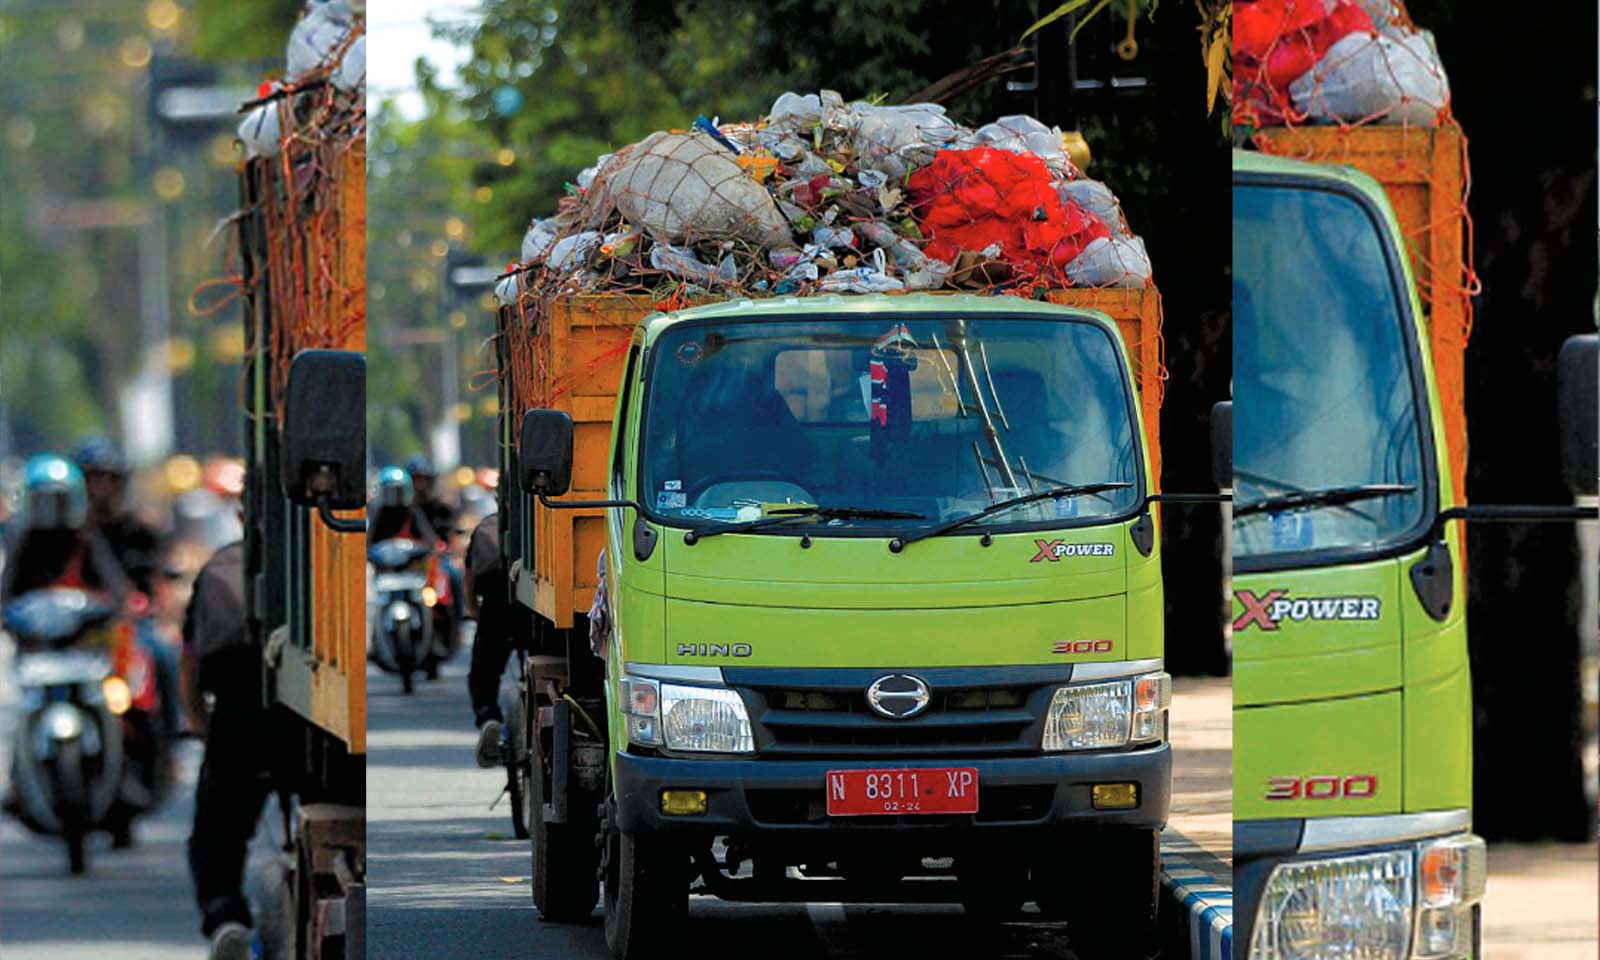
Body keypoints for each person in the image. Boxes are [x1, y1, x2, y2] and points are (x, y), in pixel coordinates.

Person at [182, 537, 270, 960]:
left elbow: (190, 656)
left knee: (215, 835)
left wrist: (198, 719)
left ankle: (225, 916)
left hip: (239, 714)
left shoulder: (222, 566)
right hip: (323, 721)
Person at [2, 454, 129, 605]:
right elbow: (6, 594)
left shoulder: (84, 538)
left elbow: (115, 589)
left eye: (60, 501)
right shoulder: (23, 542)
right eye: (44, 502)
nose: (52, 510)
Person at [464, 512, 521, 766]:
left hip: (495, 608)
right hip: (539, 606)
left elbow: (470, 576)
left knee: (482, 673)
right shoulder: (545, 519)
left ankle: (489, 717)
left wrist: (473, 610)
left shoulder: (485, 527)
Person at [73, 437, 163, 596]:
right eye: (93, 478)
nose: (102, 487)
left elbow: (158, 588)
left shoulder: (143, 534)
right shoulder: (70, 536)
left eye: (111, 479)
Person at [367, 466, 439, 545]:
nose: (395, 496)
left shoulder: (411, 512)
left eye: (399, 492)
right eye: (390, 492)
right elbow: (370, 542)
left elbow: (429, 540)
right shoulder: (379, 514)